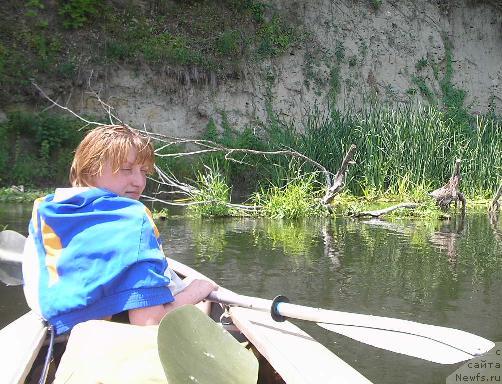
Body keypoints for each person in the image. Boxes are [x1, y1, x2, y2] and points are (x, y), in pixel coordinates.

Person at [22, 125, 218, 335]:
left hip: (58, 332)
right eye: (126, 169)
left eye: (143, 171)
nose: (139, 182)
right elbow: (149, 323)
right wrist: (197, 291)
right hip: (111, 340)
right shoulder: (132, 217)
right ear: (90, 169)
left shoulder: (46, 210)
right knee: (198, 301)